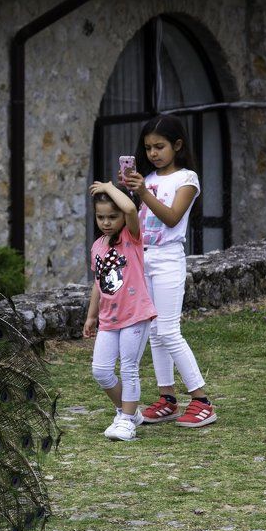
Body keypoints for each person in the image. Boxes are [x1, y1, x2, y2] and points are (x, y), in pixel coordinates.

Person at [122, 114, 216, 428]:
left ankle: (202, 400)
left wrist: (144, 193)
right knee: (154, 336)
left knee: (169, 331)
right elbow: (138, 222)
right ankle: (167, 399)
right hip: (144, 259)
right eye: (148, 148)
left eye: (159, 146)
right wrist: (126, 195)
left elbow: (172, 218)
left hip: (168, 259)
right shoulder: (146, 181)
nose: (153, 153)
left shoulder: (187, 179)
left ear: (177, 145)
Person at [84, 181, 157, 441]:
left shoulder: (132, 237)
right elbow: (98, 282)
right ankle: (127, 410)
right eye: (101, 217)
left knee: (128, 368)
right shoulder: (98, 246)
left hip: (135, 315)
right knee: (101, 370)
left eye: (112, 217)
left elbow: (129, 207)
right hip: (109, 319)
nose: (106, 222)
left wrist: (109, 187)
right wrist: (92, 315)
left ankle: (126, 421)